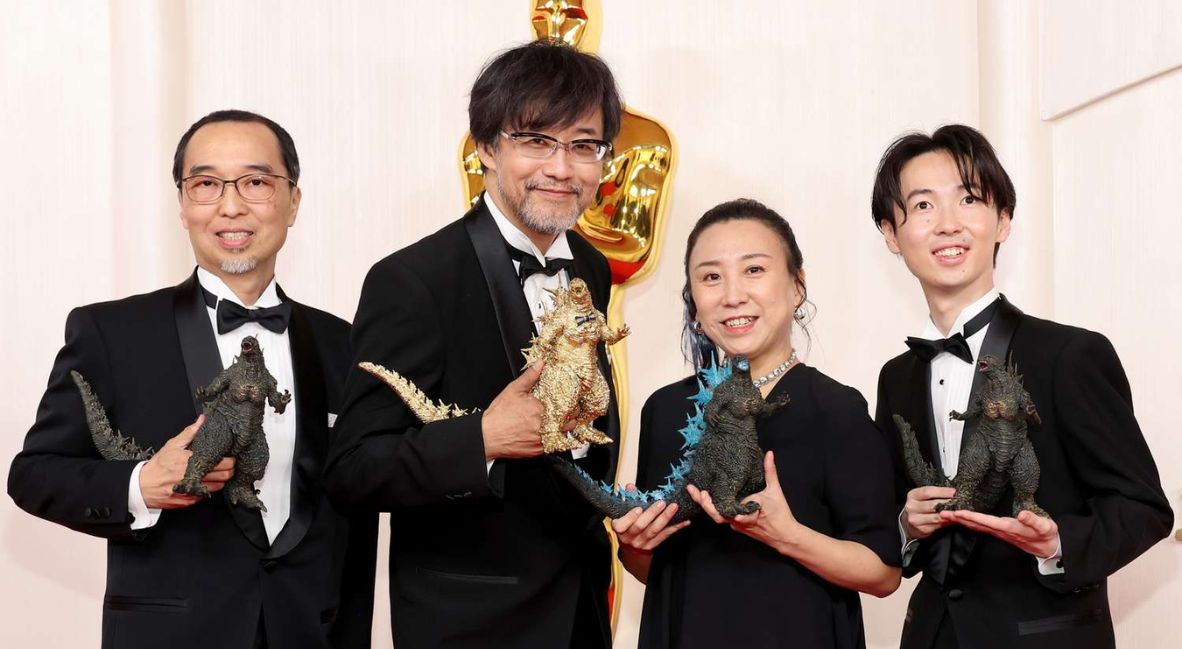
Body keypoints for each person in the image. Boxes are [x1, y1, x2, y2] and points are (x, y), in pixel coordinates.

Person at [8, 110, 376, 649]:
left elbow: (356, 519)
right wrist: (140, 487)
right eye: (206, 184)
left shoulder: (345, 343)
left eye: (255, 182)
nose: (231, 205)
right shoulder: (111, 331)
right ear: (182, 205)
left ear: (293, 201)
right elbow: (34, 474)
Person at [324, 40, 623, 649]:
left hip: (581, 611)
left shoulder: (591, 267)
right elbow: (353, 469)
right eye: (536, 140)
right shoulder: (412, 280)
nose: (562, 169)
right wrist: (481, 438)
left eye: (583, 145)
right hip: (468, 622)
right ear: (485, 148)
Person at [870, 124, 1172, 649]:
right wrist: (907, 525)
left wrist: (1058, 543)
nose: (947, 224)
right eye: (922, 206)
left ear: (1002, 221)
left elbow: (1144, 508)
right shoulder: (897, 376)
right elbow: (889, 514)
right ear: (891, 234)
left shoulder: (1070, 355)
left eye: (969, 199)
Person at [614, 199, 901, 649]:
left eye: (753, 270)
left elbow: (883, 573)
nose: (732, 295)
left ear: (796, 286)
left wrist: (787, 536)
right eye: (711, 276)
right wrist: (636, 546)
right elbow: (662, 573)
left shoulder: (837, 409)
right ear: (694, 303)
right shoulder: (667, 409)